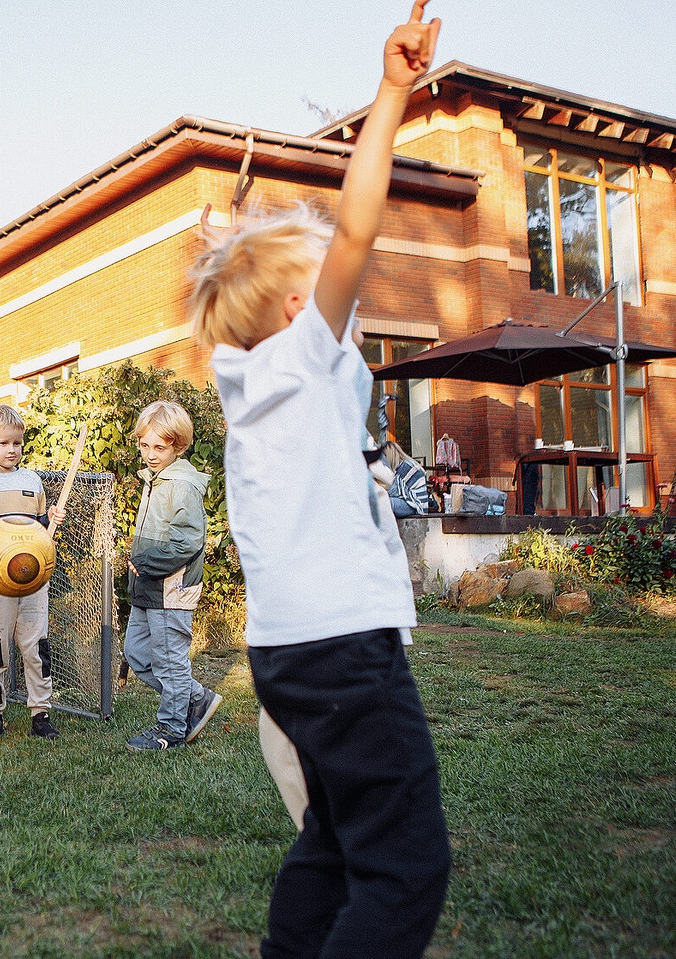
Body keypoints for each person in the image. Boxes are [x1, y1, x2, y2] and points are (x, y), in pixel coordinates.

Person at [186, 2, 450, 956]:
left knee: (334, 839)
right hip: (343, 646)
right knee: (407, 864)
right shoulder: (305, 352)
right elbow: (357, 223)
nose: (355, 288)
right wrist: (390, 93)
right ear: (301, 305)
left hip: (287, 653)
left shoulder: (252, 384)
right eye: (332, 281)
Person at [122, 400, 222, 751]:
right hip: (147, 586)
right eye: (145, 445)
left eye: (159, 448)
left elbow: (187, 541)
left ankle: (171, 731)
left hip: (170, 588)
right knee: (136, 653)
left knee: (169, 662)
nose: (150, 454)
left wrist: (146, 562)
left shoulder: (181, 484)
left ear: (177, 446)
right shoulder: (155, 479)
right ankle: (195, 697)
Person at [0, 404, 67, 740]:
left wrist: (51, 521)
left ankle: (41, 714)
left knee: (36, 647)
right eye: (3, 443)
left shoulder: (31, 480)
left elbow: (39, 533)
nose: (11, 450)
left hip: (33, 582)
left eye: (17, 444)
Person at [383, 441, 430, 517]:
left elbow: (395, 491)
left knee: (382, 503)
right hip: (418, 504)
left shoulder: (404, 468)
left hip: (414, 505)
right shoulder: (408, 464)